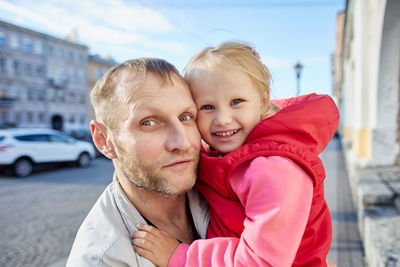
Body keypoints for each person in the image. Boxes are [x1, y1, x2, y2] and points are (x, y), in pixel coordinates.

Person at [132, 42, 340, 266]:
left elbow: (261, 262)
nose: (222, 119)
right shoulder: (232, 153)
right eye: (207, 107)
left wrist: (180, 257)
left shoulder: (273, 168)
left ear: (262, 100)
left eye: (236, 102)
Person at [66, 58, 210, 266]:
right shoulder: (103, 258)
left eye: (185, 117)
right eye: (148, 123)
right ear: (103, 140)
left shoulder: (232, 190)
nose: (183, 142)